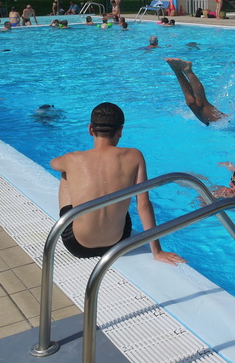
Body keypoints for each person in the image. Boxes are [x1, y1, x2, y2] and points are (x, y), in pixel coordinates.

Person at [50, 102, 184, 263]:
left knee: (66, 173)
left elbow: (53, 163)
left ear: (90, 129)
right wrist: (157, 251)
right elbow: (144, 205)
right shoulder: (135, 156)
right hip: (118, 242)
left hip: (77, 245)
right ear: (120, 131)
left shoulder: (73, 159)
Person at [165, 58, 226, 125]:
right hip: (227, 122)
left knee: (191, 103)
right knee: (201, 103)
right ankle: (187, 70)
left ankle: (177, 70)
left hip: (215, 124)